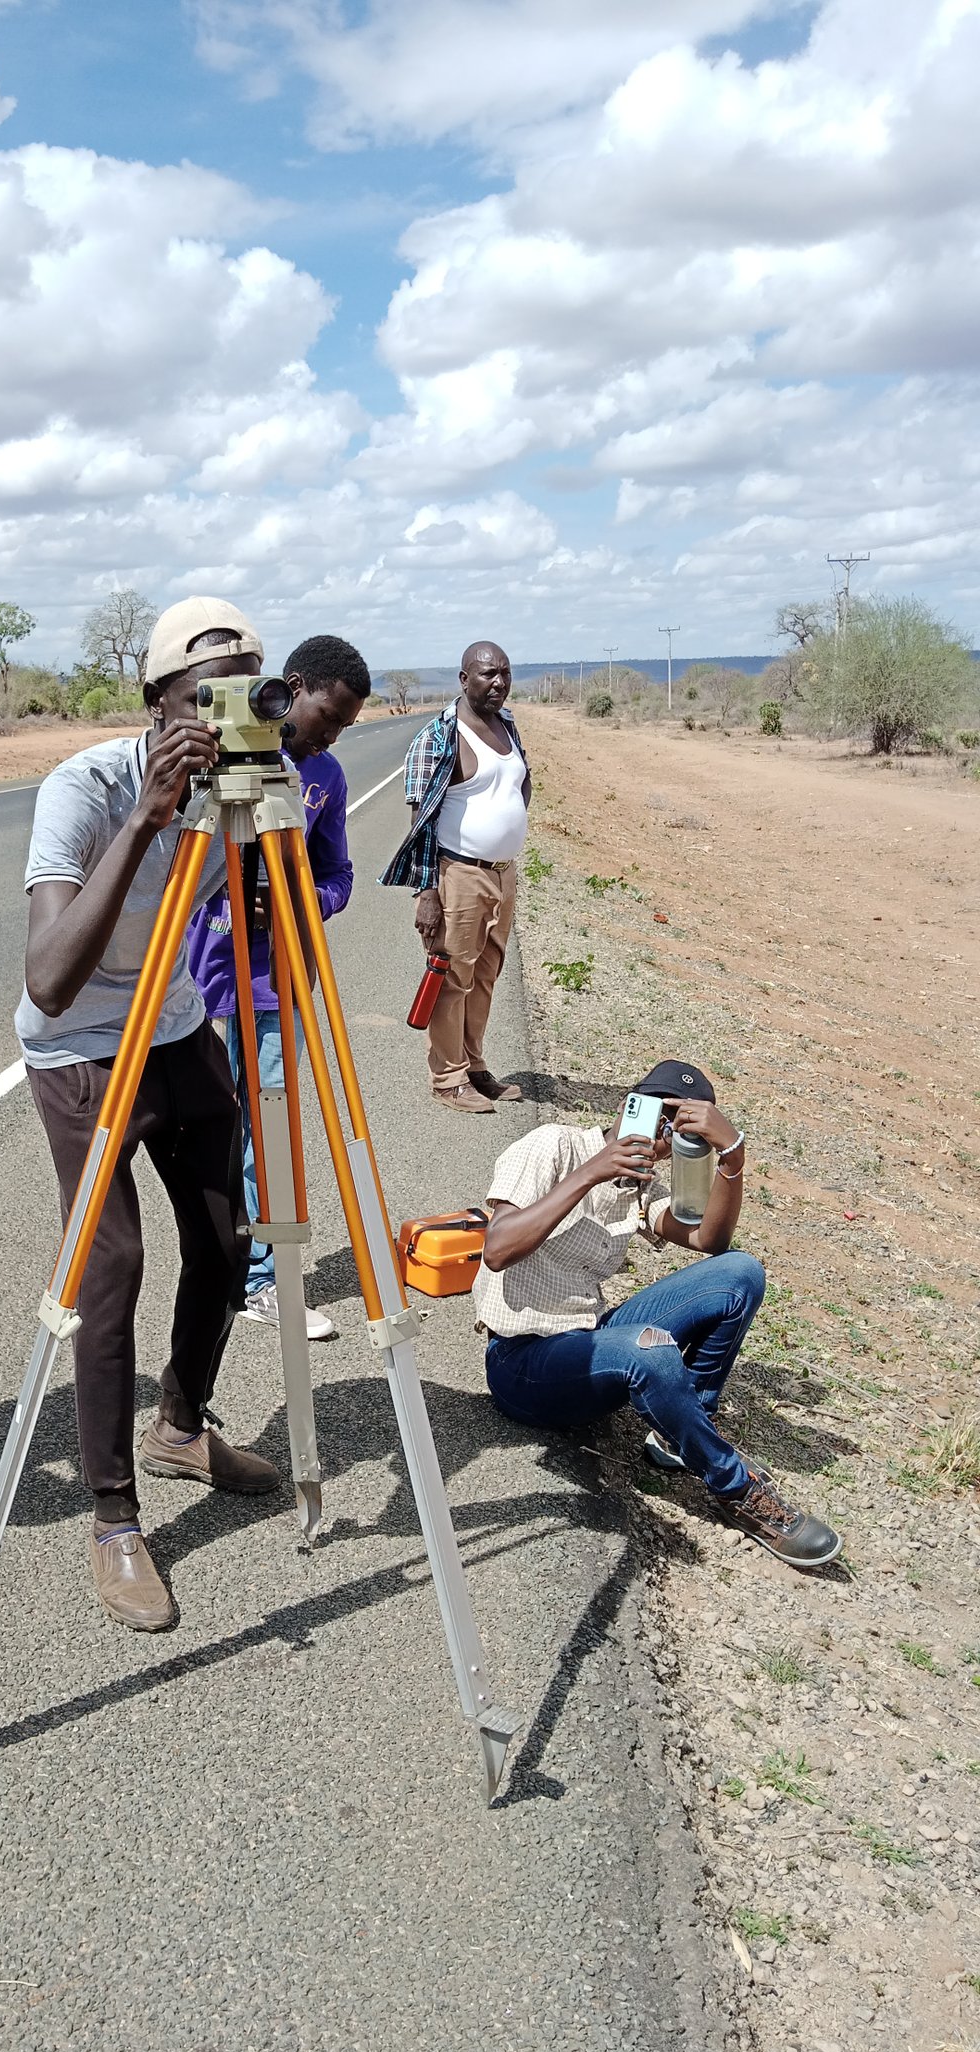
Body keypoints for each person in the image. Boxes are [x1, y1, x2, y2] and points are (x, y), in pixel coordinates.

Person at [16, 596, 281, 1633]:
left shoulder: (241, 784)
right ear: (155, 706)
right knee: (111, 1268)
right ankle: (112, 1517)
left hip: (174, 1029)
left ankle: (180, 1424)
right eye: (198, 702)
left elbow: (257, 910)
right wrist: (148, 819)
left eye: (241, 697)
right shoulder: (83, 790)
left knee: (225, 1241)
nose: (221, 721)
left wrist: (258, 819)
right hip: (79, 1049)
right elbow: (46, 978)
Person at [473, 1060, 840, 1570]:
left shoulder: (641, 1187)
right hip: (522, 1364)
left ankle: (681, 1429)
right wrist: (591, 1172)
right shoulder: (553, 1145)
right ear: (631, 1104)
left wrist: (732, 1157)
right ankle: (735, 1488)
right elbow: (497, 1249)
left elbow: (712, 1242)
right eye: (659, 1113)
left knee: (741, 1273)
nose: (664, 1132)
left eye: (682, 1125)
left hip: (589, 1339)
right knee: (650, 1349)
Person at [186, 633, 368, 1342]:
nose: (332, 732)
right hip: (202, 975)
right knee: (208, 1132)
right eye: (329, 714)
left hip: (277, 979)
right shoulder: (220, 753)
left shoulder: (326, 777)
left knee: (270, 1130)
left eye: (346, 725)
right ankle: (217, 1264)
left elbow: (338, 878)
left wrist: (296, 901)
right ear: (290, 687)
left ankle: (264, 1280)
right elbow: (179, 863)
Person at [381, 640, 530, 1114]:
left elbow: (518, 784)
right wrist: (427, 891)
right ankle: (448, 1079)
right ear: (464, 680)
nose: (498, 682)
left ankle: (474, 1065)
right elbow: (419, 819)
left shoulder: (507, 726)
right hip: (458, 875)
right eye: (487, 674)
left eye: (504, 673)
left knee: (485, 976)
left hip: (502, 875)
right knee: (452, 977)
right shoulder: (440, 736)